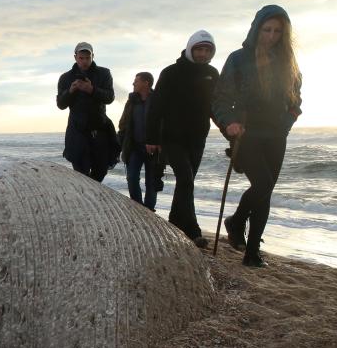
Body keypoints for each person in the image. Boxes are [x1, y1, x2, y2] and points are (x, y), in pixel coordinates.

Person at [213, 5, 302, 267]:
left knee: (266, 191)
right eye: (267, 30)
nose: (271, 36)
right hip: (247, 132)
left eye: (277, 31)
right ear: (256, 28)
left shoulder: (288, 61)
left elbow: (296, 100)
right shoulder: (238, 59)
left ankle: (252, 252)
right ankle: (236, 221)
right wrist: (229, 123)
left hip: (277, 135)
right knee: (262, 184)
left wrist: (287, 122)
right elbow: (220, 98)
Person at [145, 31, 219, 248]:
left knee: (186, 183)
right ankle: (193, 230)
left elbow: (216, 107)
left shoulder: (213, 74)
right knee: (186, 180)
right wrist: (151, 138)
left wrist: (228, 130)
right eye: (199, 49)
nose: (203, 54)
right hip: (172, 138)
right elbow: (156, 107)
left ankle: (175, 223)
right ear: (190, 49)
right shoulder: (171, 73)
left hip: (198, 138)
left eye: (207, 50)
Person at [56, 42, 116, 181]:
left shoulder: (104, 73)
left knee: (101, 170)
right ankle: (86, 198)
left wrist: (92, 90)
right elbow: (60, 104)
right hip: (77, 130)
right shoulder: (66, 77)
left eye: (87, 58)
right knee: (80, 173)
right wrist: (71, 91)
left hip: (99, 128)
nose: (84, 61)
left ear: (93, 56)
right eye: (81, 58)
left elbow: (110, 97)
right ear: (75, 57)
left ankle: (93, 196)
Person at [117, 72, 160, 211]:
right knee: (131, 178)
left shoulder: (158, 100)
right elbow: (123, 124)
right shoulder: (131, 101)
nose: (133, 84)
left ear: (146, 83)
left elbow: (164, 123)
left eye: (136, 81)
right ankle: (137, 208)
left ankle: (149, 210)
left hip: (154, 148)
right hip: (135, 147)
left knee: (152, 181)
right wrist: (119, 144)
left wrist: (161, 143)